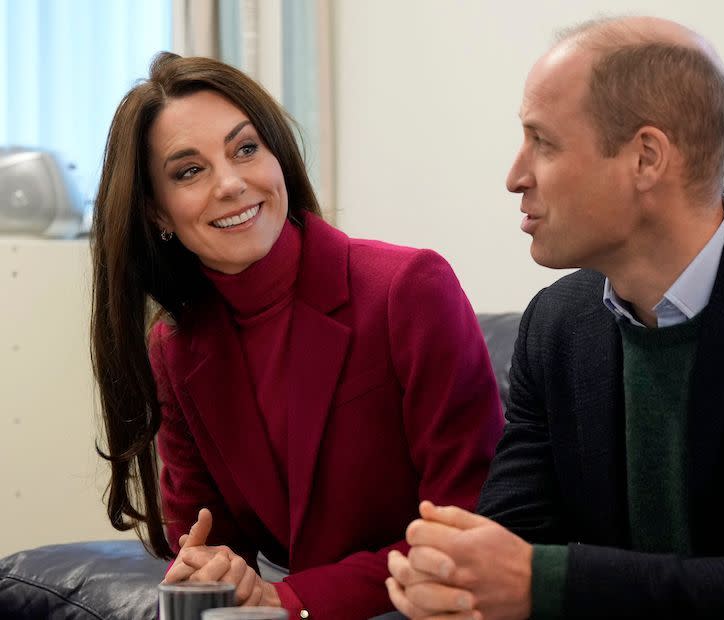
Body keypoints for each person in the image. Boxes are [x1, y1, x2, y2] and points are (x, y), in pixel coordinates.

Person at [385, 15, 724, 619]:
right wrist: (450, 579)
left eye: (543, 142)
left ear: (646, 158)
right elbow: (515, 539)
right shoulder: (557, 322)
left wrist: (547, 583)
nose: (515, 177)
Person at [90, 51, 504, 619]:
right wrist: (212, 571)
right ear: (157, 214)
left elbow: (470, 526)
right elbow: (208, 538)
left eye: (245, 149)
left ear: (277, 157)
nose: (232, 184)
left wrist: (292, 599)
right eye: (189, 171)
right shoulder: (175, 349)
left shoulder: (407, 287)